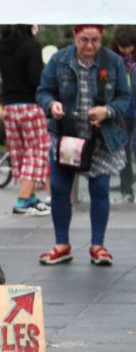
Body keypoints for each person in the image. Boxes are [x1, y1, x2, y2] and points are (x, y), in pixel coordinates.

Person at [37, 24, 131, 266]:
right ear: (74, 37)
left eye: (95, 40)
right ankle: (62, 244)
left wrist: (107, 110)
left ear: (102, 38)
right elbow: (43, 91)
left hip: (101, 138)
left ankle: (97, 245)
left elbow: (124, 97)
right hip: (67, 136)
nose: (89, 46)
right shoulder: (59, 59)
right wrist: (51, 105)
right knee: (59, 188)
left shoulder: (113, 62)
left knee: (99, 189)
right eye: (84, 40)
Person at [0, 25, 51, 215]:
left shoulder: (2, 45)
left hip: (10, 107)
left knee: (19, 152)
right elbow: (36, 78)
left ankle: (31, 198)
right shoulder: (32, 46)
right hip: (30, 105)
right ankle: (22, 200)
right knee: (37, 151)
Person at [109, 25, 136, 202]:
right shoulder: (112, 58)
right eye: (121, 47)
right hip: (121, 110)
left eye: (128, 46)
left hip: (134, 106)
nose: (125, 50)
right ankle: (127, 188)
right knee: (123, 149)